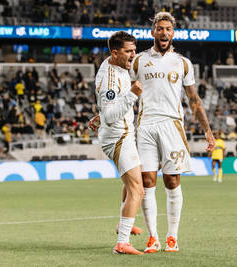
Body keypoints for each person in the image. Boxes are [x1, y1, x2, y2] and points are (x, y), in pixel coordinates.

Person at [130, 12, 214, 253]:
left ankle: (172, 237)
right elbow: (125, 91)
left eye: (168, 29)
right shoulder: (138, 61)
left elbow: (193, 100)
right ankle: (153, 237)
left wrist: (207, 131)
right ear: (152, 32)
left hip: (172, 125)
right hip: (145, 125)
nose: (164, 32)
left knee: (172, 180)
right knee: (147, 182)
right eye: (160, 28)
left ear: (173, 33)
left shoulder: (183, 62)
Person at [94, 31, 144, 255]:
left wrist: (100, 114)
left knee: (130, 183)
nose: (134, 55)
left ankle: (124, 221)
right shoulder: (110, 78)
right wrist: (133, 94)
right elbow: (111, 114)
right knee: (137, 189)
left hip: (122, 132)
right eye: (129, 51)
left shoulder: (117, 67)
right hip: (118, 136)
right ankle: (122, 242)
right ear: (115, 53)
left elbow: (107, 109)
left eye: (134, 50)